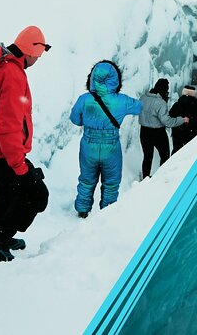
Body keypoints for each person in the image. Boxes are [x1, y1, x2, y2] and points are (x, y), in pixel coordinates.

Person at [0, 26, 50, 261]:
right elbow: (8, 126)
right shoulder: (12, 74)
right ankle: (0, 237)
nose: (38, 59)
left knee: (6, 189)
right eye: (38, 54)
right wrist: (19, 166)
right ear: (30, 51)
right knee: (35, 194)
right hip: (1, 151)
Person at [70, 60, 142, 218]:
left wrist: (89, 120)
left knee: (87, 179)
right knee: (111, 182)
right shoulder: (122, 100)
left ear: (92, 77)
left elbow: (75, 119)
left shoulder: (84, 99)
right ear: (116, 80)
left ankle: (82, 210)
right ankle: (107, 214)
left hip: (88, 145)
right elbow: (139, 107)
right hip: (111, 147)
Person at [139, 78, 186, 178]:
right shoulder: (161, 103)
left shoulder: (143, 98)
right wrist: (182, 120)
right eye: (167, 90)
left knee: (147, 157)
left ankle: (145, 179)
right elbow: (167, 122)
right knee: (165, 155)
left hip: (144, 131)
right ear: (164, 90)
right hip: (158, 133)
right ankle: (160, 179)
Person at [169, 85, 197, 153]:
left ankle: (174, 163)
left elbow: (170, 116)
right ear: (193, 93)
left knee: (176, 150)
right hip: (191, 131)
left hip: (177, 132)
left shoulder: (177, 104)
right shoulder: (196, 104)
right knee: (189, 152)